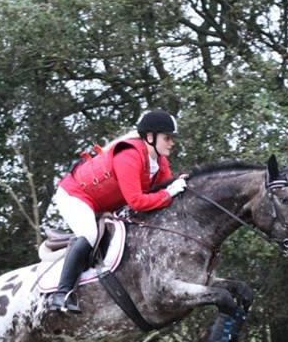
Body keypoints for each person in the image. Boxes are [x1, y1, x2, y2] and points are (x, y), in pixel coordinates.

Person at [47, 109, 188, 312]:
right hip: (75, 195)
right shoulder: (128, 155)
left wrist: (181, 184)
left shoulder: (160, 162)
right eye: (167, 138)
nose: (171, 143)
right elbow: (138, 202)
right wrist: (169, 193)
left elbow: (167, 188)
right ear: (150, 137)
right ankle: (61, 295)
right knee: (89, 234)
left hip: (101, 203)